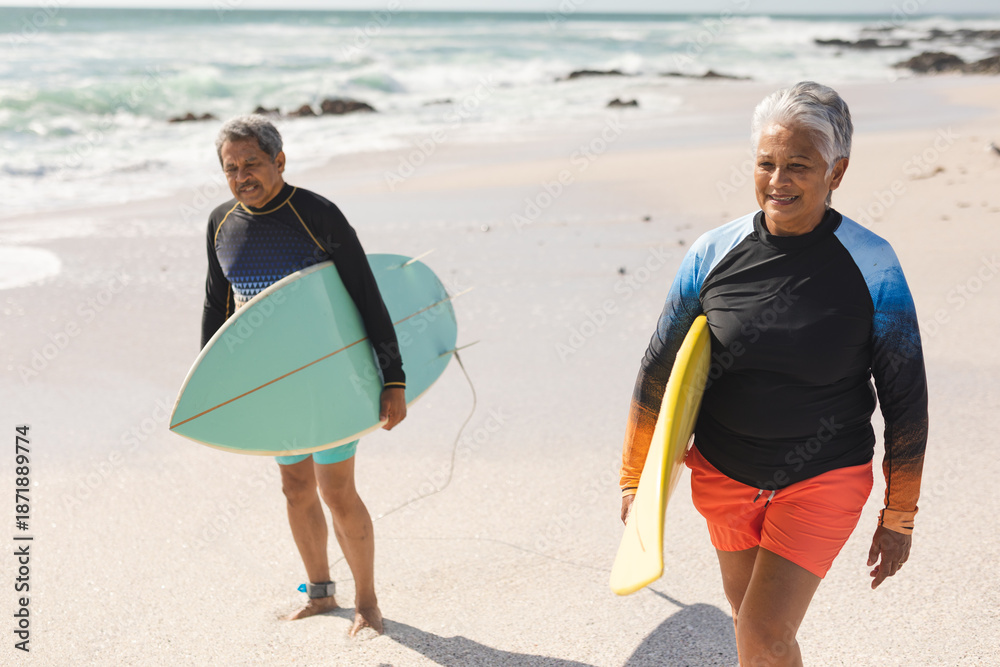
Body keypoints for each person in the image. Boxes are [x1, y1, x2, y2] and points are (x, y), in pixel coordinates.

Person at [619, 82, 927, 666]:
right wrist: (637, 480)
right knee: (753, 626)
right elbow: (660, 368)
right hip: (723, 472)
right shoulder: (713, 252)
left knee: (762, 631)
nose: (778, 180)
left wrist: (900, 513)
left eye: (798, 165)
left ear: (836, 172)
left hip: (824, 475)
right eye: (766, 163)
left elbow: (905, 395)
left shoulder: (874, 264)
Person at [201, 114, 406, 636]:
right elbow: (217, 306)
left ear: (280, 161)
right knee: (294, 487)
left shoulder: (317, 214)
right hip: (274, 383)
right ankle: (319, 593)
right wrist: (211, 383)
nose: (241, 176)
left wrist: (393, 379)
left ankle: (367, 604)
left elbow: (366, 295)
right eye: (230, 168)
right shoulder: (221, 223)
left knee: (336, 490)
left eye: (251, 163)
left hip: (330, 375)